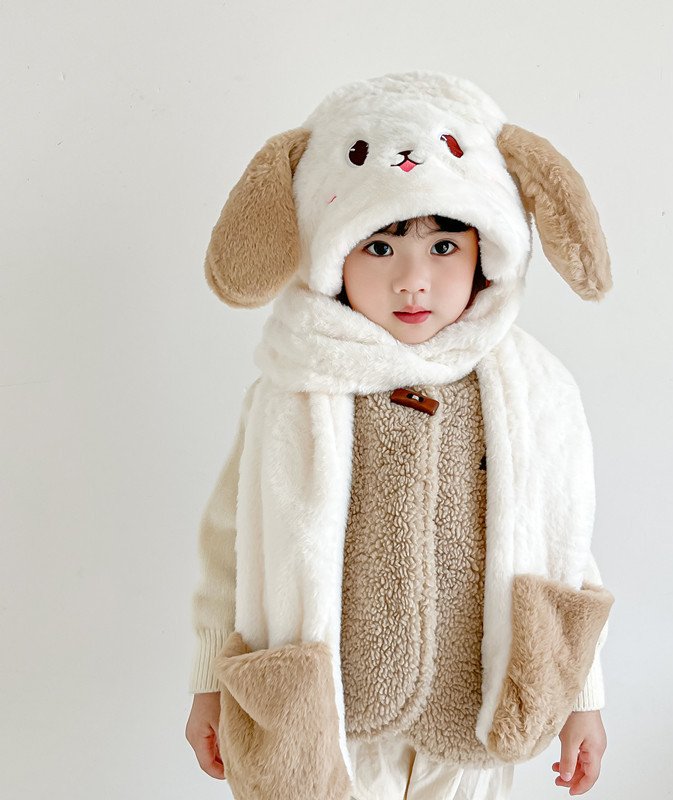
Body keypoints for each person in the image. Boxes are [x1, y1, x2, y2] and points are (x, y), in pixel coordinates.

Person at [185, 72, 614, 800]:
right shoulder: (294, 387)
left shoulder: (529, 390)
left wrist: (583, 695)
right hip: (334, 720)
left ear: (486, 250)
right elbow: (231, 544)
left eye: (444, 246)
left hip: (473, 715)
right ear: (331, 254)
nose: (414, 281)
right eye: (380, 248)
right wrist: (209, 682)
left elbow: (564, 543)